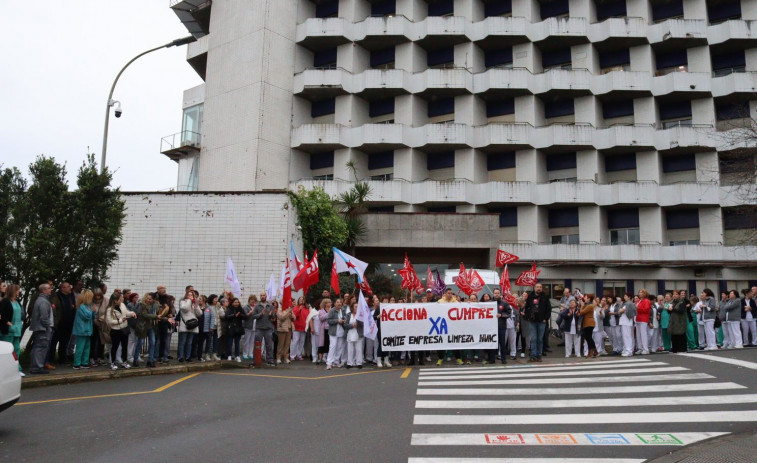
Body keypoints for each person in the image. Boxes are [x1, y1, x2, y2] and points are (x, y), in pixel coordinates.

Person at [47, 281, 76, 367]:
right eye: (68, 286)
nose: (70, 288)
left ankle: (62, 358)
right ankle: (51, 359)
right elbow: (55, 309)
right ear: (62, 288)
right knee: (54, 342)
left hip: (68, 323)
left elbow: (73, 307)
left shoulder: (71, 296)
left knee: (65, 342)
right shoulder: (57, 296)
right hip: (59, 324)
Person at [105, 291, 135, 370]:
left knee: (125, 346)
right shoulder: (109, 310)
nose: (122, 299)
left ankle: (124, 362)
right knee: (115, 346)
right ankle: (113, 362)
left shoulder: (122, 305)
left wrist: (132, 313)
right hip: (115, 330)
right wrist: (121, 320)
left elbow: (126, 313)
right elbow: (109, 321)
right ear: (115, 301)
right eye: (120, 299)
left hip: (124, 328)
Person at [523, 283, 551, 363]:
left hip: (542, 321)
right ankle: (533, 356)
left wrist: (546, 318)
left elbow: (548, 309)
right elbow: (527, 307)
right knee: (533, 339)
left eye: (540, 287)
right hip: (532, 321)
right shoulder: (530, 297)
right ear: (534, 288)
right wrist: (528, 316)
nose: (539, 288)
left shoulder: (545, 297)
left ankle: (539, 355)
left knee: (540, 339)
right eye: (537, 287)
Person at [29, 283, 54, 374]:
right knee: (41, 347)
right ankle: (37, 367)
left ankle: (35, 366)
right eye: (49, 288)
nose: (51, 289)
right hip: (42, 328)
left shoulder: (41, 300)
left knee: (38, 347)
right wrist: (48, 326)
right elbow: (44, 317)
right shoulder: (43, 301)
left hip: (40, 327)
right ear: (43, 290)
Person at [0, 284, 24, 376]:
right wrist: (7, 322)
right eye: (18, 290)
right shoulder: (5, 301)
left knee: (16, 349)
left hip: (17, 329)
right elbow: (1, 314)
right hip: (8, 330)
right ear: (13, 291)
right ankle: (6, 370)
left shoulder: (17, 301)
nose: (19, 292)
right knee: (8, 351)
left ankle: (16, 369)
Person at [71, 290, 95, 370]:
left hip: (88, 329)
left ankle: (84, 362)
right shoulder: (81, 307)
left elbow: (92, 317)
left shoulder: (89, 306)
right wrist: (92, 312)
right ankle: (77, 363)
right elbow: (87, 316)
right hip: (82, 330)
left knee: (87, 347)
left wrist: (93, 313)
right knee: (80, 347)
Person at [134, 293, 159, 368]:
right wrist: (156, 316)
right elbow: (145, 315)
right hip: (143, 326)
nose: (148, 300)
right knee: (140, 342)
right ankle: (136, 360)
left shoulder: (155, 305)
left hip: (151, 326)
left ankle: (150, 360)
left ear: (153, 299)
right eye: (147, 298)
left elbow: (159, 313)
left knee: (152, 342)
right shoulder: (142, 305)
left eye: (150, 299)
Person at [251, 293, 276, 366]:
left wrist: (271, 315)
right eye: (261, 295)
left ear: (266, 296)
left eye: (263, 295)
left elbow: (273, 317)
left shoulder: (270, 306)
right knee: (257, 345)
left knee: (269, 345)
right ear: (260, 297)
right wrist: (261, 314)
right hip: (259, 328)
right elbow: (253, 316)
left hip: (268, 328)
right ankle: (255, 360)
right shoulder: (257, 306)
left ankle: (270, 360)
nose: (262, 296)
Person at [177, 289, 202, 362]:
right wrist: (189, 301)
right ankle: (180, 356)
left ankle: (188, 357)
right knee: (183, 341)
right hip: (185, 324)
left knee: (189, 342)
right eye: (189, 295)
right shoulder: (183, 302)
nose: (190, 296)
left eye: (192, 295)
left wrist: (196, 306)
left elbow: (200, 313)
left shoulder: (194, 303)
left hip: (193, 324)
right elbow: (185, 309)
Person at [326, 297, 346, 370]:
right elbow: (328, 320)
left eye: (340, 302)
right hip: (333, 332)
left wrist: (343, 321)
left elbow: (345, 319)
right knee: (332, 347)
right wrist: (337, 321)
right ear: (335, 304)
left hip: (341, 331)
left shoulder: (343, 310)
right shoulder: (332, 310)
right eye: (337, 302)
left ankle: (336, 361)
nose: (339, 303)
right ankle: (329, 363)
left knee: (339, 347)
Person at [89, 289, 107, 367]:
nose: (97, 297)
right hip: (93, 324)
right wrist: (95, 321)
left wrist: (101, 320)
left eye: (99, 295)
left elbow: (108, 311)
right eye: (96, 296)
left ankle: (100, 357)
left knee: (101, 341)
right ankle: (91, 357)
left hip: (102, 323)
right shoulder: (90, 301)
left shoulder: (106, 300)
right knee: (92, 341)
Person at [344, 301, 364, 369]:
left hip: (358, 333)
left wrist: (358, 323)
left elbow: (363, 324)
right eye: (356, 307)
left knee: (358, 349)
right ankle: (349, 363)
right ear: (352, 307)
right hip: (350, 333)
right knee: (350, 349)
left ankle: (359, 363)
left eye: (358, 307)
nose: (357, 308)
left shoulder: (360, 315)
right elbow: (345, 325)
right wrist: (352, 325)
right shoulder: (348, 315)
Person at [225, 297, 244, 362]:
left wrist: (241, 315)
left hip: (238, 328)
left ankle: (237, 356)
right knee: (229, 343)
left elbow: (245, 316)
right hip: (231, 328)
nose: (237, 303)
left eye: (238, 302)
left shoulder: (240, 309)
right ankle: (229, 355)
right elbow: (227, 316)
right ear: (232, 303)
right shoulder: (229, 309)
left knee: (237, 343)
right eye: (235, 302)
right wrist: (234, 315)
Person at [276, 299, 294, 364]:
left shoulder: (289, 309)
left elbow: (294, 318)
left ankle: (286, 357)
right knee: (281, 344)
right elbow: (281, 317)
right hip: (282, 328)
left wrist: (291, 314)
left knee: (287, 344)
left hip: (289, 328)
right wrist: (288, 311)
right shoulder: (279, 309)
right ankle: (278, 357)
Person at [618, 292, 637, 357]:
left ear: (629, 297)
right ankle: (627, 349)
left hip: (627, 322)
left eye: (626, 296)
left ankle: (629, 350)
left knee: (627, 337)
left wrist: (622, 310)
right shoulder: (625, 303)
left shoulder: (629, 304)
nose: (624, 297)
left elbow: (622, 311)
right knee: (626, 336)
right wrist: (621, 310)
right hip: (624, 322)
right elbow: (620, 310)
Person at [291, 296, 308, 361]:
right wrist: (299, 310)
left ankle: (299, 355)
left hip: (303, 327)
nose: (301, 300)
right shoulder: (295, 308)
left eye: (302, 299)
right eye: (300, 299)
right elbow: (295, 316)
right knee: (295, 341)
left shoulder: (306, 308)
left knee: (302, 341)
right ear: (298, 301)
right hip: (297, 327)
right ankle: (292, 355)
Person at [199, 294, 216, 361]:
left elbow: (212, 318)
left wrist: (211, 327)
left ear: (204, 300)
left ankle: (207, 354)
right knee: (200, 342)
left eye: (200, 299)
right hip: (200, 328)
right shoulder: (197, 307)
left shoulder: (209, 308)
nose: (199, 300)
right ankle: (199, 356)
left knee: (208, 342)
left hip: (208, 328)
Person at [634, 289, 651, 355]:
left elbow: (646, 310)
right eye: (639, 292)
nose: (640, 293)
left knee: (643, 334)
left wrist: (638, 308)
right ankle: (640, 348)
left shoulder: (646, 301)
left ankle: (645, 349)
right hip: (638, 319)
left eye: (641, 292)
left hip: (643, 319)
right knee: (638, 335)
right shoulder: (639, 301)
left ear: (644, 294)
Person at [242, 295, 258, 360]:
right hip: (248, 326)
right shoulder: (246, 307)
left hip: (255, 326)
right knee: (246, 341)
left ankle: (250, 353)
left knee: (252, 341)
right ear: (249, 300)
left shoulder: (256, 307)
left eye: (254, 300)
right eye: (251, 300)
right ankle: (245, 354)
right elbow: (245, 316)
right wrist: (251, 312)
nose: (253, 302)